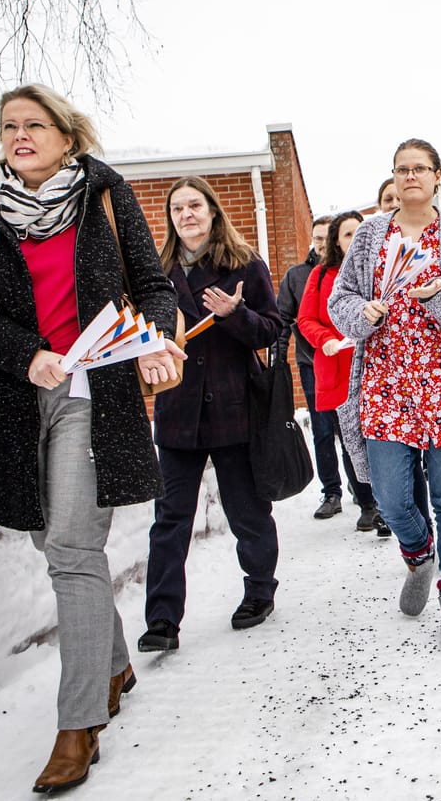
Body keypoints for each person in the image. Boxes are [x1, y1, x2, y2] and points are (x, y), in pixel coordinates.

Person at [0, 84, 183, 793]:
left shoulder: (103, 197)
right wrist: (24, 355)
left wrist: (155, 341)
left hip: (92, 392)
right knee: (49, 542)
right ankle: (112, 663)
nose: (20, 136)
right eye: (9, 126)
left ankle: (77, 724)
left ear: (65, 135)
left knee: (74, 550)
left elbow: (153, 284)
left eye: (34, 125)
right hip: (16, 402)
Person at [329, 138, 441, 650]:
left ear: (437, 176)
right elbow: (341, 300)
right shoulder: (371, 235)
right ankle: (419, 554)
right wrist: (363, 314)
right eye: (401, 170)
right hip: (384, 385)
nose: (410, 177)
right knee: (390, 496)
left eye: (419, 168)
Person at [139, 176, 284, 655]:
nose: (187, 215)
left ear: (213, 211)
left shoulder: (243, 264)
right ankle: (161, 619)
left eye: (195, 205)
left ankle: (260, 588)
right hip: (178, 412)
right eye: (177, 208)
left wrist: (234, 316)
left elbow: (270, 330)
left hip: (232, 407)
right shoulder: (154, 272)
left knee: (246, 509)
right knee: (170, 519)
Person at [297, 211, 385, 533]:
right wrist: (327, 340)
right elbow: (305, 319)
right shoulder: (321, 276)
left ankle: (388, 504)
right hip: (339, 367)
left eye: (360, 232)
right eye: (348, 234)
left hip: (379, 369)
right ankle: (367, 503)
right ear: (337, 240)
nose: (355, 238)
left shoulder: (383, 272)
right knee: (351, 440)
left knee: (383, 438)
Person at [277, 215, 353, 521]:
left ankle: (365, 494)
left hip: (347, 361)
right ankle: (331, 492)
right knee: (323, 431)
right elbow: (283, 318)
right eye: (317, 237)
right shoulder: (298, 276)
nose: (321, 243)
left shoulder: (348, 271)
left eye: (326, 237)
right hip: (312, 363)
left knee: (350, 431)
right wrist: (278, 360)